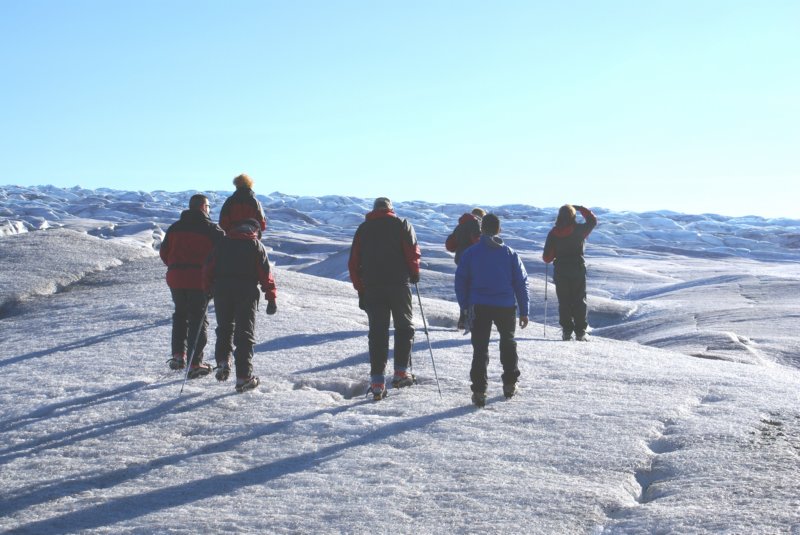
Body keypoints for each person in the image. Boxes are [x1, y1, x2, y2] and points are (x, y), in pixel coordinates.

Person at [348, 197, 421, 400]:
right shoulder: (402, 224)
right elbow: (412, 251)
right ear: (390, 209)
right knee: (404, 328)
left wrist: (361, 289)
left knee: (378, 333)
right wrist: (414, 272)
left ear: (374, 210)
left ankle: (378, 383)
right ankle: (400, 374)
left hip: (373, 287)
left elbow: (353, 263)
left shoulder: (363, 229)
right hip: (399, 285)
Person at [455, 213, 529, 408]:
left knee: (480, 349)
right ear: (499, 230)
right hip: (505, 306)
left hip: (479, 306)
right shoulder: (510, 253)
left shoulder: (471, 253)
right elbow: (521, 283)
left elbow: (460, 281)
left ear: (482, 229)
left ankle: (479, 391)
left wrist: (464, 306)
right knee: (508, 343)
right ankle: (510, 383)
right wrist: (524, 310)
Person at [203, 218, 277, 393]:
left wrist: (208, 289)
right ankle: (243, 376)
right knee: (244, 333)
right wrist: (271, 297)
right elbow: (265, 273)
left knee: (224, 328)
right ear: (256, 230)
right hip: (246, 291)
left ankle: (222, 361)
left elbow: (208, 268)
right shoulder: (255, 245)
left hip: (221, 290)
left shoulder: (222, 243)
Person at [159, 194, 224, 377]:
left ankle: (178, 356)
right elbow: (222, 256)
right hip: (200, 280)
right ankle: (195, 363)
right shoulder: (212, 229)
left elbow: (164, 253)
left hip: (176, 278)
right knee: (198, 318)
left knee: (180, 315)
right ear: (204, 207)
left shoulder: (175, 227)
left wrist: (175, 266)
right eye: (209, 206)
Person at [542, 204, 597, 342]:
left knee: (564, 301)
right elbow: (592, 221)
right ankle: (580, 332)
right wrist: (580, 208)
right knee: (579, 300)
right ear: (573, 216)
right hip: (578, 270)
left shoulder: (553, 233)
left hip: (561, 271)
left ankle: (567, 331)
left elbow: (547, 258)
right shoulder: (579, 230)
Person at [445, 207, 486, 329]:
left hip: (461, 262)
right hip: (474, 263)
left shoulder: (460, 226)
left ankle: (463, 319)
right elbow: (478, 242)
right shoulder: (476, 224)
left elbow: (450, 246)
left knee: (464, 290)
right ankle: (475, 321)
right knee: (475, 291)